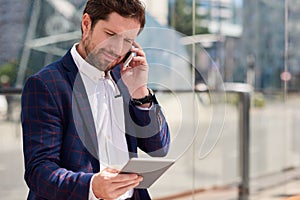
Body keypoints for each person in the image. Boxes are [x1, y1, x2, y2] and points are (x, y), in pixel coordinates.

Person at [21, 0, 170, 199]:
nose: (117, 49)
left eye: (126, 41)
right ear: (86, 24)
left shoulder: (127, 78)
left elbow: (159, 148)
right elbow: (39, 171)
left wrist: (140, 92)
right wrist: (92, 187)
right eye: (110, 35)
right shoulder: (46, 84)